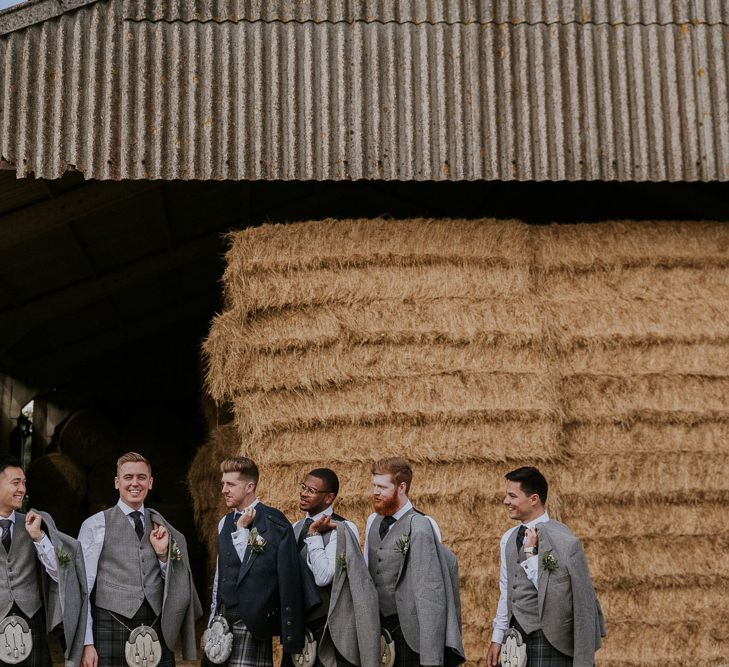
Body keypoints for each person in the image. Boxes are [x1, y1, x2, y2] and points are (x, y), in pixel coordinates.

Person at [79, 452, 201, 667]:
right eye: (128, 477)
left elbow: (175, 583)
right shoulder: (95, 525)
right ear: (117, 483)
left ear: (150, 482)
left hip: (155, 626)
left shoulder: (162, 527)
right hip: (111, 625)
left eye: (141, 477)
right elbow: (83, 588)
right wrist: (87, 643)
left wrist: (163, 555)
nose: (135, 483)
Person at [486, 466, 606, 667]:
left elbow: (562, 595)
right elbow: (507, 591)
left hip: (552, 640)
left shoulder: (564, 540)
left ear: (533, 499)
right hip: (516, 639)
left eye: (512, 496)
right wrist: (497, 637)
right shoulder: (507, 539)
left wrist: (531, 555)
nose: (506, 501)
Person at [365, 457, 464, 667]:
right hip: (380, 629)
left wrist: (432, 654)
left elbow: (430, 589)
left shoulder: (423, 525)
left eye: (382, 487)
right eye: (374, 485)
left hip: (411, 634)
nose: (375, 492)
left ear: (402, 487)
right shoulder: (372, 522)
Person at [210, 456, 306, 666]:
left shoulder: (274, 522)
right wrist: (211, 619)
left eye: (231, 484)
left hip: (252, 623)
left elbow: (283, 577)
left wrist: (243, 531)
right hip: (222, 621)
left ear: (249, 486)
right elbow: (220, 574)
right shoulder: (224, 522)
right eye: (223, 484)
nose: (224, 489)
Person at [0, 455, 88, 666]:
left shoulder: (35, 523)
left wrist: (39, 538)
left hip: (32, 620)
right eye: (15, 482)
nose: (22, 489)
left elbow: (61, 572)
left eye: (24, 483)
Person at [292, 468, 379, 667]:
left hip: (329, 633)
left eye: (311, 491)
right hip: (300, 631)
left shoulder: (344, 528)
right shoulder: (295, 528)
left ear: (329, 498)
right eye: (303, 487)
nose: (303, 493)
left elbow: (324, 576)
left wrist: (313, 535)